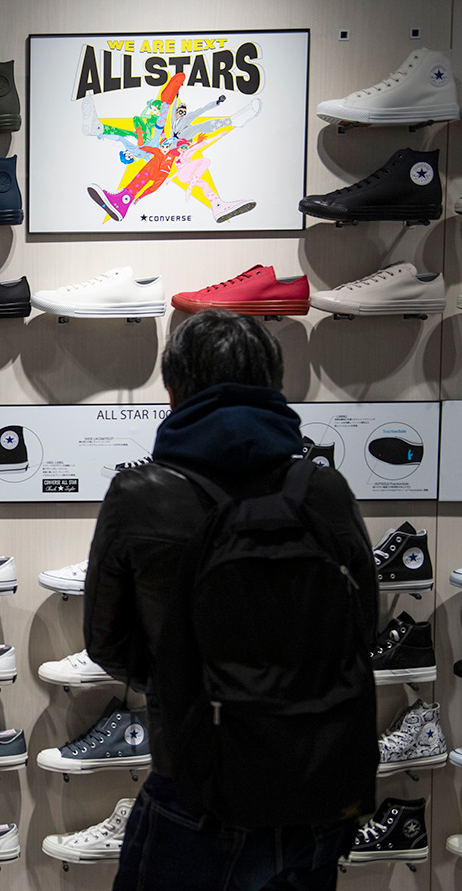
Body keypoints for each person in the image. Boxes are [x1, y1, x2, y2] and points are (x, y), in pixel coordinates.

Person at [84, 310, 378, 891]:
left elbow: (106, 642)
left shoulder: (139, 495)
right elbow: (363, 628)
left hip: (197, 789)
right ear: (275, 385)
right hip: (317, 787)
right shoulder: (323, 489)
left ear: (174, 391)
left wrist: (182, 683)